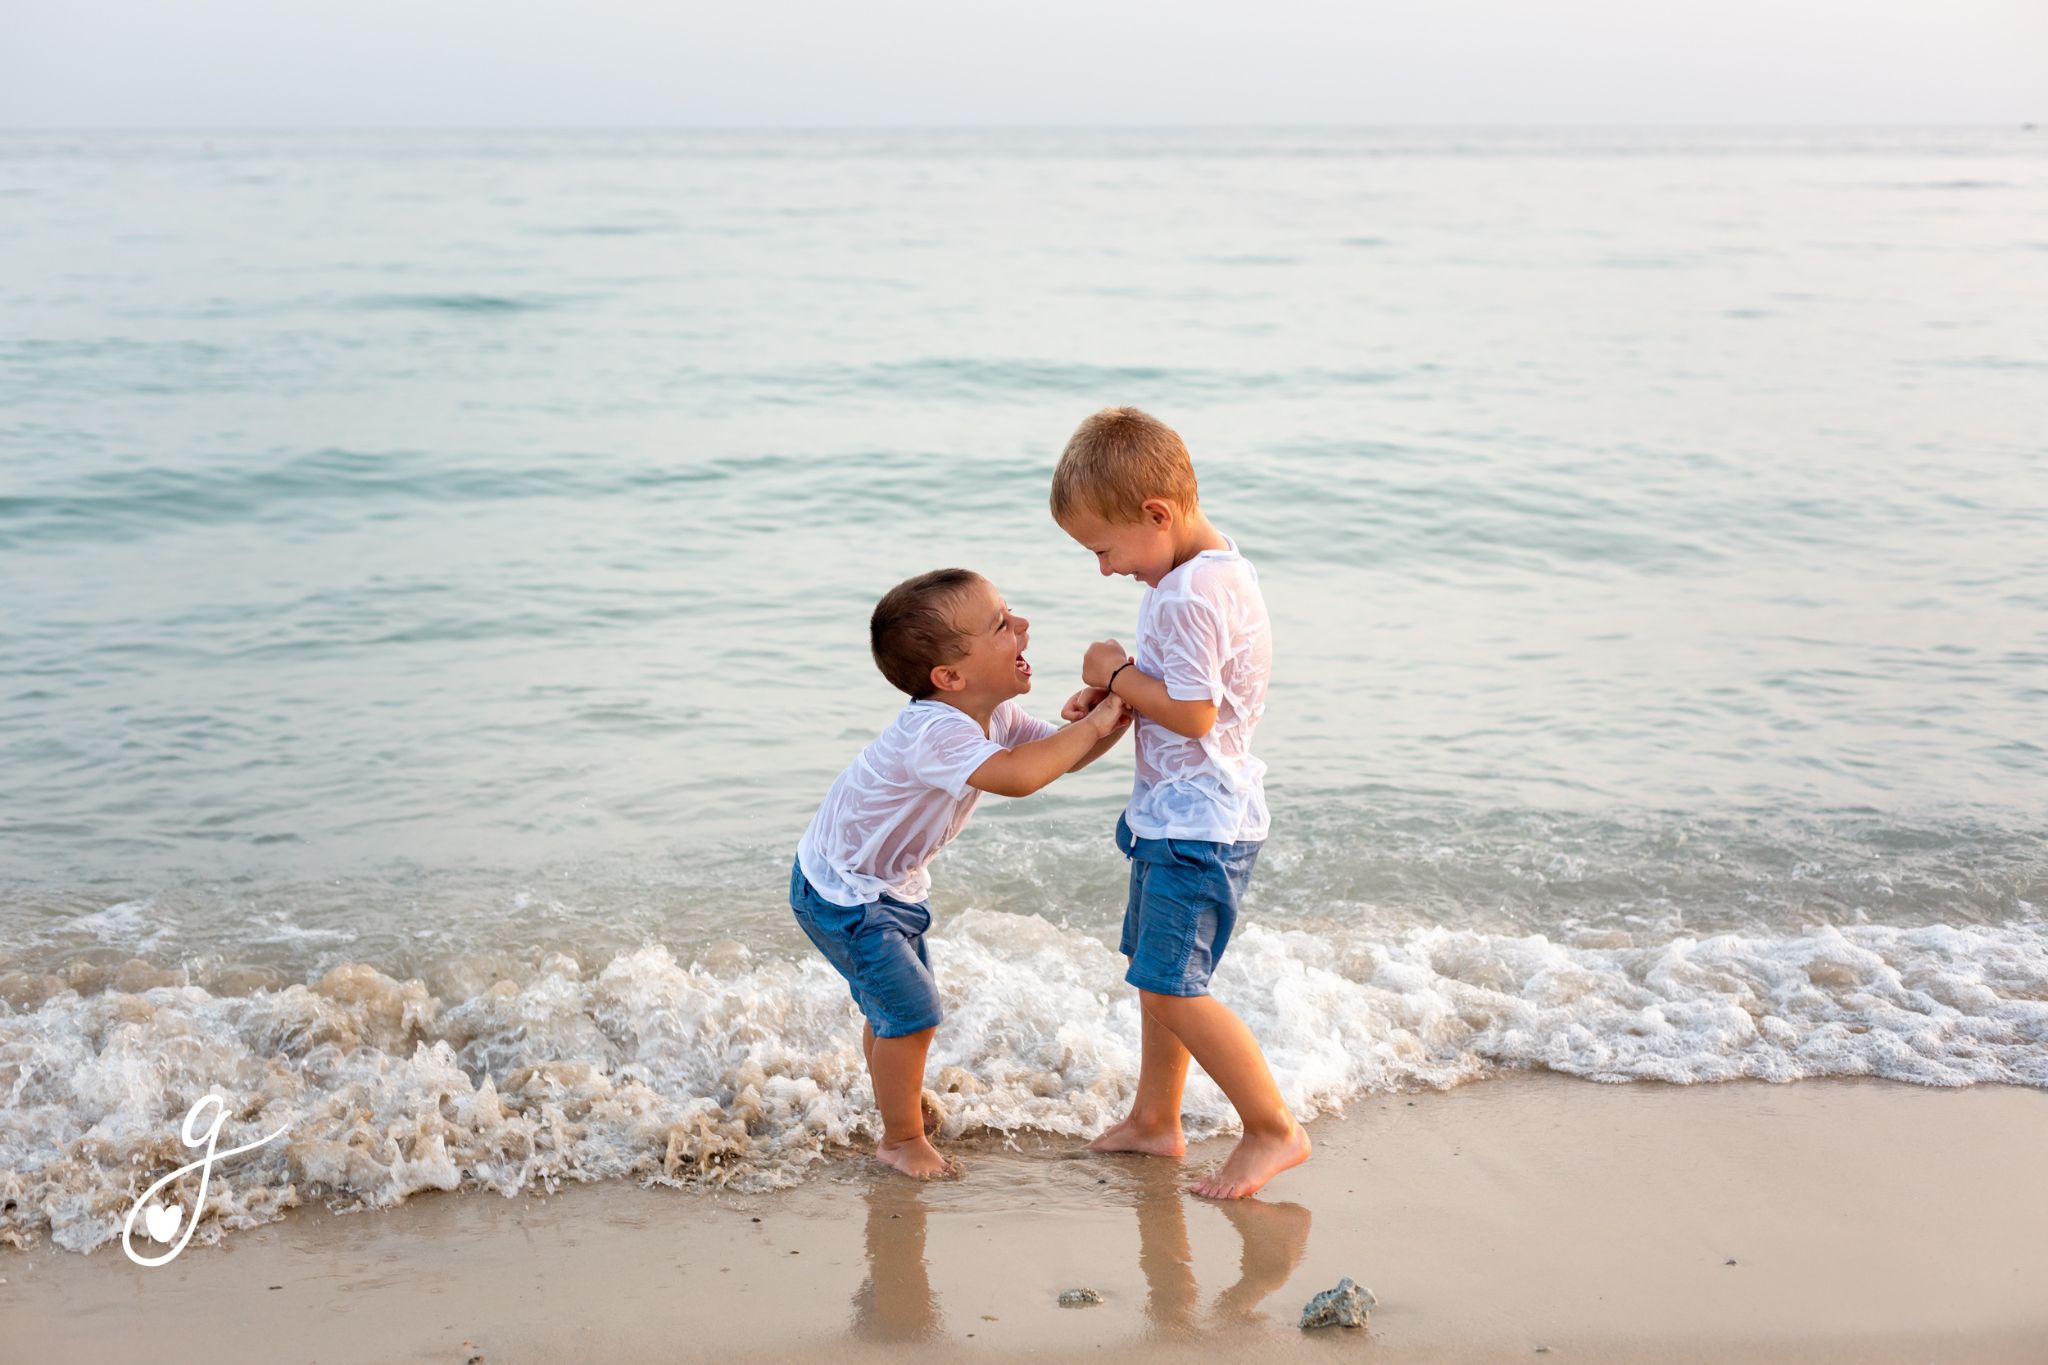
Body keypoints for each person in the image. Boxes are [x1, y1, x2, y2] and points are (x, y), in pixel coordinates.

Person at [1051, 406, 1312, 1199]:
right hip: (1181, 813)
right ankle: (1156, 1120)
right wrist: (1118, 693)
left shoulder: (1185, 595)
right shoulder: (1214, 565)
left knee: (1172, 984)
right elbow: (1196, 692)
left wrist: (1116, 668)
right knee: (1154, 972)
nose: (1103, 568)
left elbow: (1196, 712)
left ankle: (1273, 1128)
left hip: (1199, 824)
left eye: (1104, 548)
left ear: (1157, 515)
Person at [792, 568, 1128, 1179]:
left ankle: (895, 1109)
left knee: (892, 1009)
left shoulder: (991, 716)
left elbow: (1057, 759)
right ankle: (900, 1139)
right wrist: (1094, 726)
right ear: (949, 678)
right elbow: (1021, 778)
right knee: (913, 1011)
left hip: (886, 883)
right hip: (842, 891)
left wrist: (1107, 717)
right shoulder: (936, 729)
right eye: (1002, 625)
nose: (1023, 626)